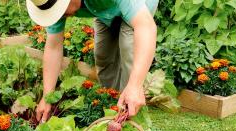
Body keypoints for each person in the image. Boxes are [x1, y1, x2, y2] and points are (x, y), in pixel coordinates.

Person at [26, 0, 159, 123]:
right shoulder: (52, 3)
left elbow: (145, 26)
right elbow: (53, 47)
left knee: (129, 50)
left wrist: (135, 86)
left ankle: (132, 119)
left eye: (60, 9)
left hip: (138, 7)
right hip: (105, 9)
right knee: (103, 56)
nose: (59, 14)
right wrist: (47, 97)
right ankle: (113, 109)